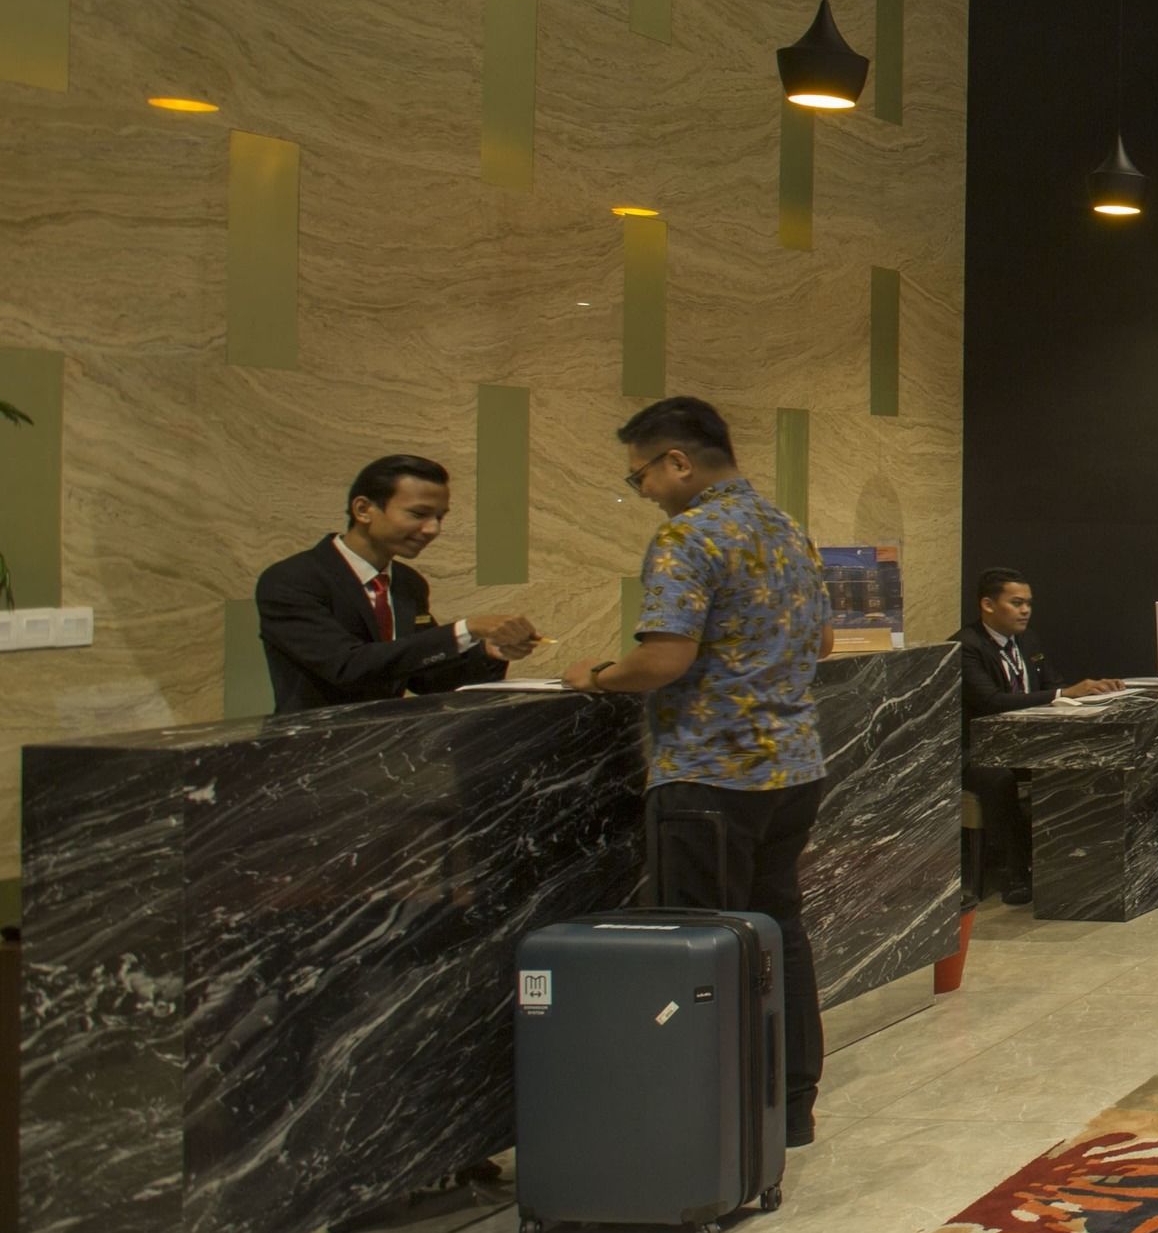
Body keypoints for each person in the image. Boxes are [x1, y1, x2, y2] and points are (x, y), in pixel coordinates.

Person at [563, 396, 836, 1146]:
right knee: (779, 933)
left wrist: (597, 676)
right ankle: (790, 1105)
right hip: (793, 768)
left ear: (677, 461)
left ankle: (713, 1122)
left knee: (700, 948)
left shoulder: (687, 534)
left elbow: (664, 657)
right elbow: (823, 644)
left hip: (710, 776)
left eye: (641, 476)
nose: (645, 492)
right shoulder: (786, 528)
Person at [254, 454, 542, 712]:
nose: (433, 529)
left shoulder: (409, 583)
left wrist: (489, 651)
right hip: (316, 747)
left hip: (392, 743)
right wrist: (465, 630)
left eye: (439, 517)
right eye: (418, 514)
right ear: (363, 509)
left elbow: (426, 678)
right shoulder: (291, 580)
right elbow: (346, 667)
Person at [956, 567, 1121, 906]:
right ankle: (1015, 873)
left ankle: (1076, 864)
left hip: (1024, 743)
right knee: (999, 778)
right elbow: (991, 702)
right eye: (1016, 603)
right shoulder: (966, 646)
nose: (1025, 611)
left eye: (1028, 603)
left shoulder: (1028, 641)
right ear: (988, 605)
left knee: (1075, 762)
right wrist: (1063, 693)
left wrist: (1091, 694)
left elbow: (1051, 685)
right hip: (977, 750)